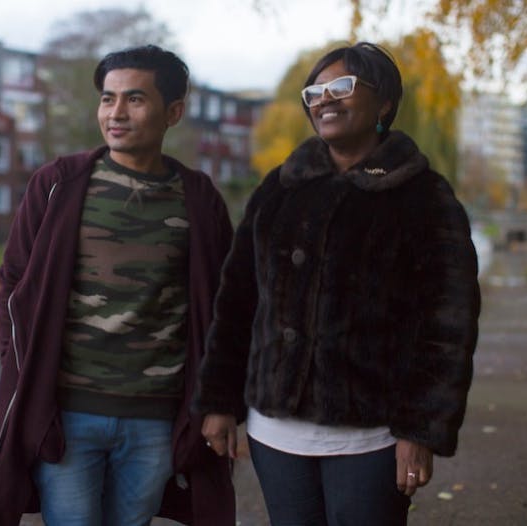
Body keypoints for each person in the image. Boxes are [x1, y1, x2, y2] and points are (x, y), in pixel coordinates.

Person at [194, 42, 481, 526]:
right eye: (315, 91)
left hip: (374, 437)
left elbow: (447, 325)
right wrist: (219, 400)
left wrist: (422, 429)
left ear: (384, 101)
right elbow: (238, 299)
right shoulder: (280, 186)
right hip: (275, 434)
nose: (324, 100)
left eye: (341, 87)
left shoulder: (424, 196)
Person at [0, 45, 235, 526]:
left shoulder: (199, 199)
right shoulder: (58, 184)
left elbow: (226, 310)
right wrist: (20, 367)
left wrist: (221, 403)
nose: (116, 113)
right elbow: (12, 283)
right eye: (107, 99)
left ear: (173, 111)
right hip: (69, 416)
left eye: (134, 100)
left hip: (156, 419)